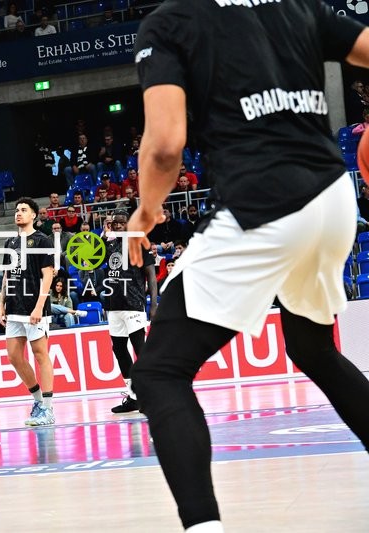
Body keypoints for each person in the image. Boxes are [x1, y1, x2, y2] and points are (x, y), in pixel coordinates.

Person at [127, 3, 369, 531]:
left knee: (159, 372)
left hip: (263, 203)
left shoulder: (170, 22)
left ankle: (204, 527)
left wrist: (144, 216)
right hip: (333, 197)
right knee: (312, 349)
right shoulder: (296, 4)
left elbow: (166, 146)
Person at [0, 198, 56, 426]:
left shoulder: (42, 240)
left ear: (34, 215)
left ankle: (49, 409)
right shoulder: (10, 242)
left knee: (40, 354)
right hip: (14, 305)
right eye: (17, 210)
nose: (18, 213)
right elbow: (6, 275)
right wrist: (2, 303)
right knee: (13, 356)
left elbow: (48, 274)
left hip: (34, 305)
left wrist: (40, 305)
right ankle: (38, 400)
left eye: (23, 210)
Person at [104, 211, 157, 414]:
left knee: (140, 349)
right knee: (118, 349)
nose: (117, 225)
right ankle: (134, 396)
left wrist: (153, 304)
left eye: (121, 222)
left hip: (134, 303)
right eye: (114, 222)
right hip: (113, 304)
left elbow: (151, 275)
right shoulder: (108, 245)